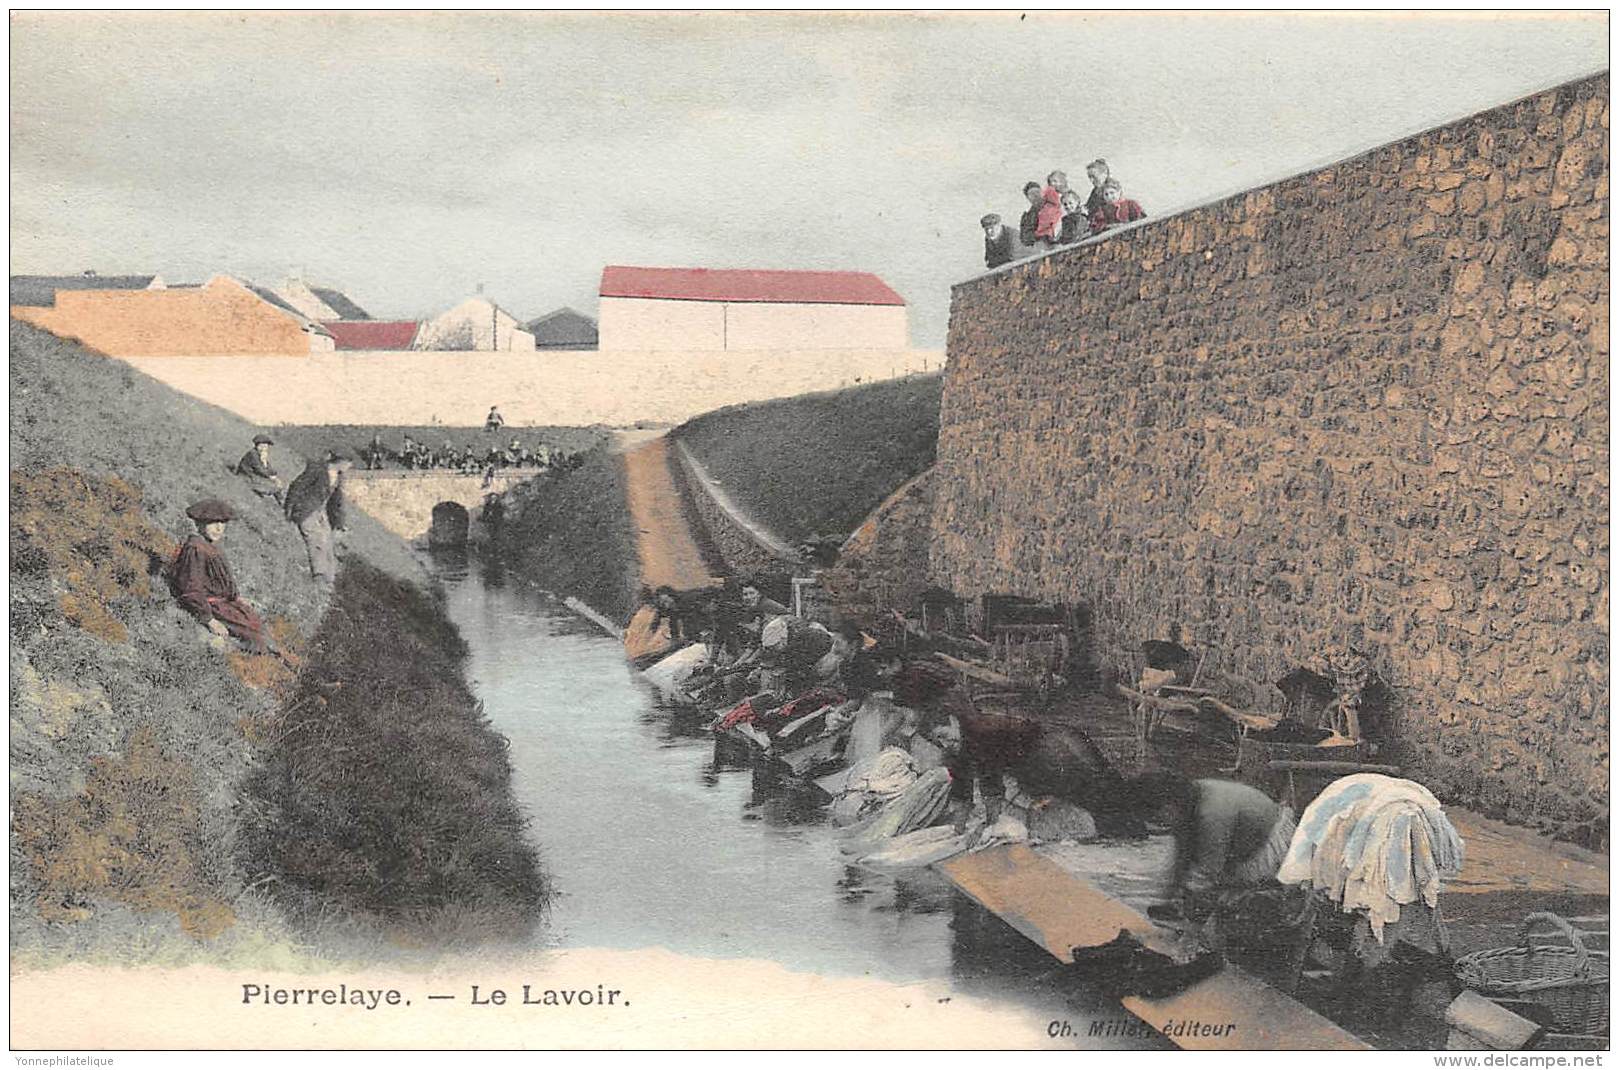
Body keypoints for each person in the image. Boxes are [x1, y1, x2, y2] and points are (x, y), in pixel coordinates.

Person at [1123, 774, 1296, 903]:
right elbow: (1182, 854)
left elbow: (1208, 869)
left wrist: (1187, 898)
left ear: (1170, 803)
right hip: (1240, 842)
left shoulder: (1212, 813)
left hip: (1270, 846)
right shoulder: (1189, 800)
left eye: (1156, 816)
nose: (1157, 823)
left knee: (1227, 899)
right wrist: (1170, 893)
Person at [169, 498, 266, 651]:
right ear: (199, 523)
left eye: (222, 523)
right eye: (213, 523)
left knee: (257, 625)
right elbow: (191, 588)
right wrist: (209, 620)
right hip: (211, 607)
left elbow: (221, 581)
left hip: (224, 605)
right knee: (256, 639)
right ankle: (230, 651)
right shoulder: (196, 549)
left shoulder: (211, 547)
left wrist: (236, 597)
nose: (219, 528)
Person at [285, 450, 352, 584]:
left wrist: (339, 523)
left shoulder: (338, 477)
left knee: (327, 541)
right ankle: (318, 574)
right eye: (348, 464)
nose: (349, 468)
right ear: (340, 462)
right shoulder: (318, 470)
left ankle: (330, 578)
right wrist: (289, 508)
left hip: (321, 512)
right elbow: (297, 486)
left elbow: (336, 502)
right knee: (315, 539)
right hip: (306, 510)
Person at [234, 434, 284, 504]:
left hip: (254, 477)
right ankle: (280, 502)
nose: (266, 448)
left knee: (276, 484)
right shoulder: (252, 454)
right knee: (275, 486)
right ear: (259, 445)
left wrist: (265, 462)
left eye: (266, 446)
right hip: (246, 478)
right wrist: (271, 477)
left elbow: (270, 470)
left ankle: (281, 503)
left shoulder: (260, 455)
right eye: (264, 446)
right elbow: (260, 470)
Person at [1017, 181, 1044, 248]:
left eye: (1037, 192)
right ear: (1028, 198)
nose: (1035, 195)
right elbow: (1024, 239)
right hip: (1040, 247)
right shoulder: (1027, 217)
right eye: (1031, 194)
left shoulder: (1054, 206)